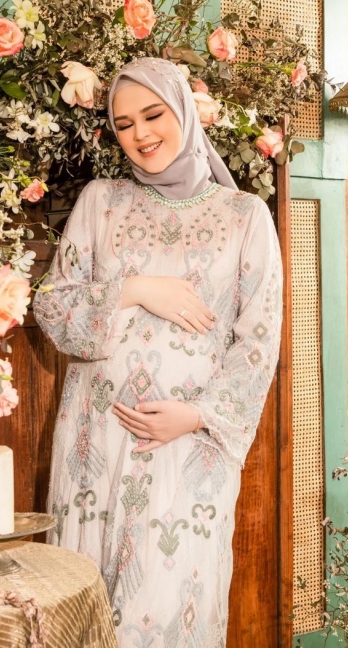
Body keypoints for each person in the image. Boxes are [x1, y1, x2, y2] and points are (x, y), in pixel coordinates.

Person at [34, 57, 283, 647]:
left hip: (189, 450)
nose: (140, 134)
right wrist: (136, 289)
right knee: (83, 605)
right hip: (95, 443)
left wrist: (197, 416)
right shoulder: (100, 201)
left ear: (185, 113)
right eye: (123, 124)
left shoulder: (244, 215)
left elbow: (259, 338)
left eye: (153, 115)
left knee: (168, 603)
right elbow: (53, 307)